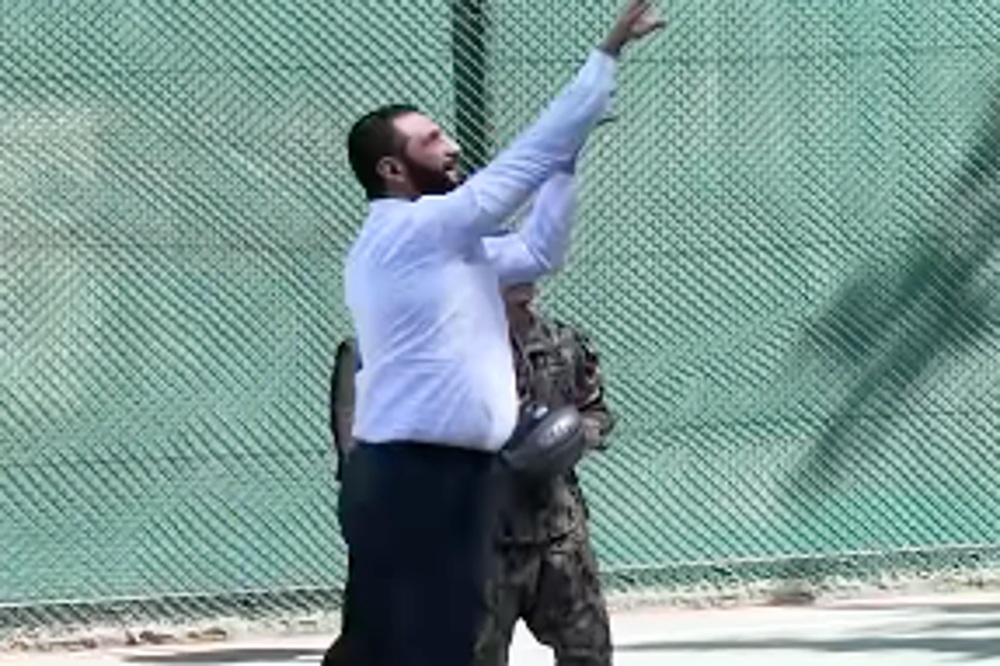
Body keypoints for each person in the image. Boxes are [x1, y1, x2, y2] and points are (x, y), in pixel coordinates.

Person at [338, 4, 664, 664]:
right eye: (432, 139)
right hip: (411, 476)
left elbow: (540, 250)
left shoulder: (447, 248)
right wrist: (605, 56)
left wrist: (566, 164)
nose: (452, 146)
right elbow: (521, 167)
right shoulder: (411, 233)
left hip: (449, 477)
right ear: (392, 170)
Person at [475, 282, 615, 666]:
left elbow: (595, 410)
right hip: (482, 541)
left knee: (589, 653)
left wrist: (570, 437)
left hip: (558, 535)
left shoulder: (561, 344)